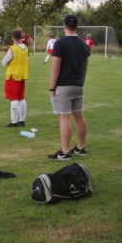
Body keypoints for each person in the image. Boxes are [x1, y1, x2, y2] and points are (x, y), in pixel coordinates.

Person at [48, 15, 91, 160]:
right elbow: (85, 68)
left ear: (64, 25)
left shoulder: (60, 43)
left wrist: (52, 88)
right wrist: (80, 83)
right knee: (79, 116)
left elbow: (55, 68)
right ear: (76, 26)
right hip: (79, 85)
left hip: (64, 85)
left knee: (64, 116)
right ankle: (80, 147)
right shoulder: (84, 44)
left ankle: (65, 152)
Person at [2, 28, 29, 127]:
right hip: (22, 75)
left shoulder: (12, 48)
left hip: (13, 76)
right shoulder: (25, 48)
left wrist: (6, 55)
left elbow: (3, 62)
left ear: (13, 37)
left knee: (13, 99)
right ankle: (22, 120)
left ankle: (14, 122)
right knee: (21, 98)